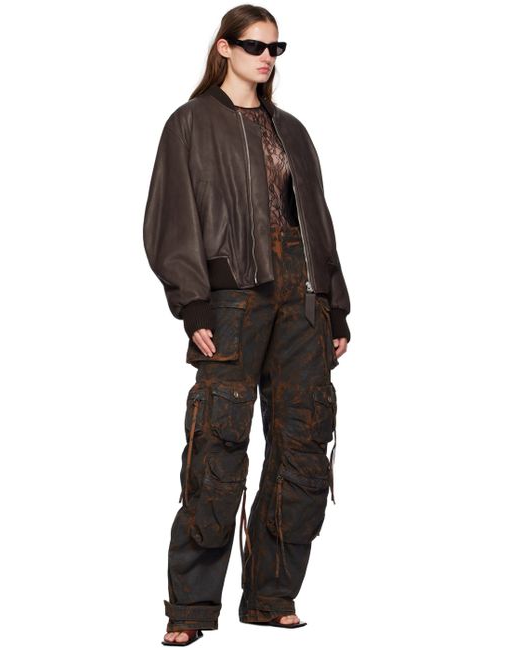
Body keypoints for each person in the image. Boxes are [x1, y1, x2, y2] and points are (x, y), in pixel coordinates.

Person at [143, 4, 351, 646]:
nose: (267, 57)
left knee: (302, 445)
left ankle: (271, 596)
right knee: (217, 446)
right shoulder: (190, 123)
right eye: (255, 46)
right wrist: (192, 303)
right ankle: (190, 608)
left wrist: (337, 306)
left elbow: (318, 222)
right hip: (232, 298)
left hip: (303, 301)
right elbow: (170, 218)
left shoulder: (293, 131)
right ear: (225, 48)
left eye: (275, 48)